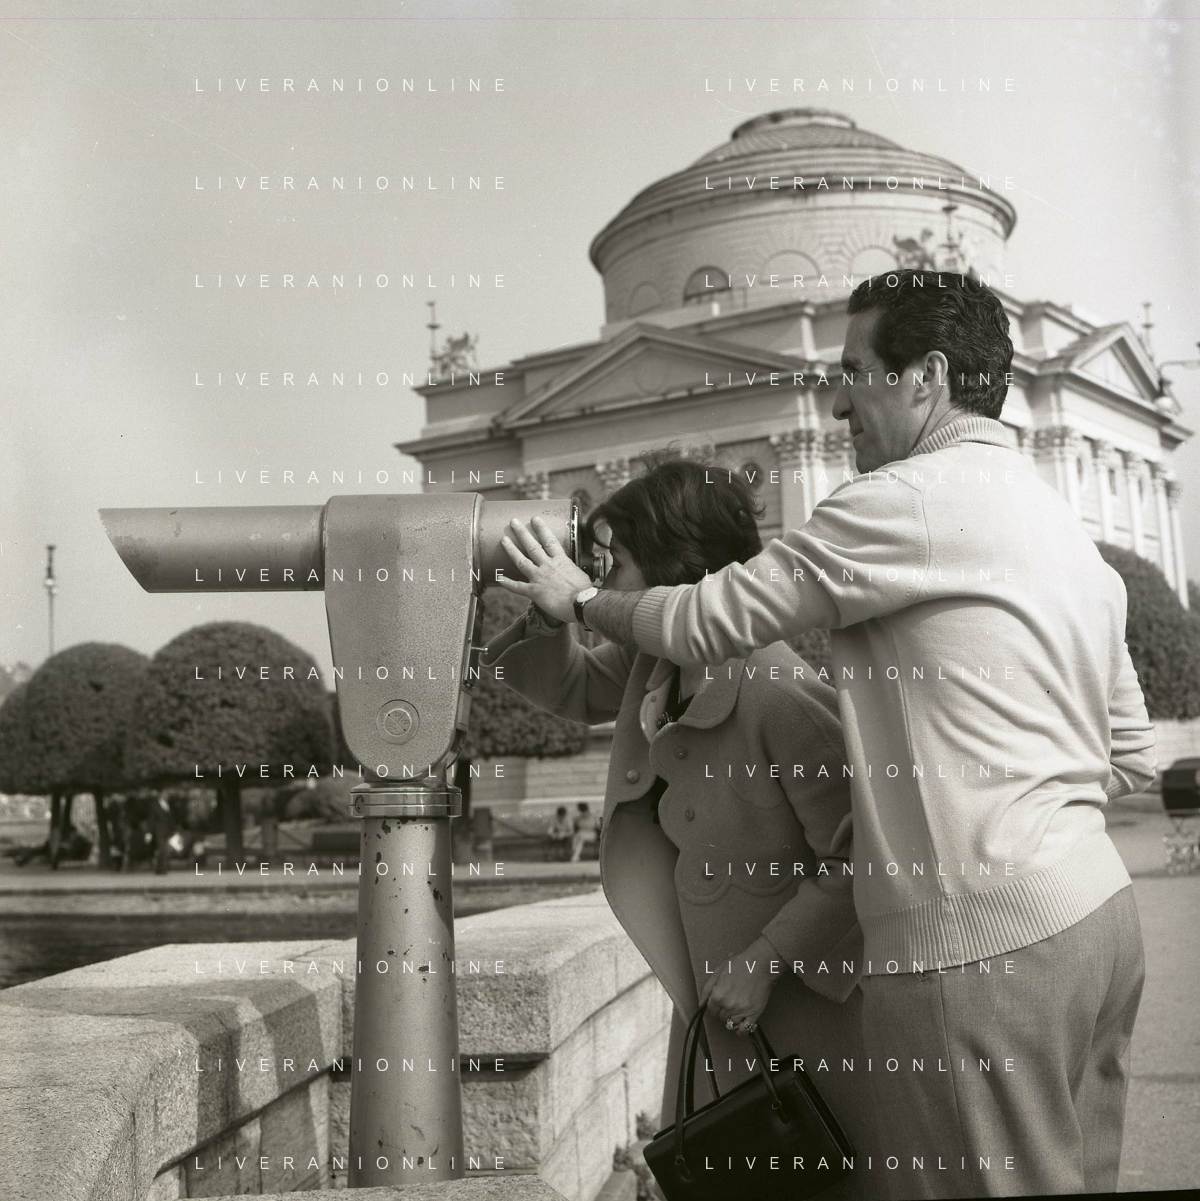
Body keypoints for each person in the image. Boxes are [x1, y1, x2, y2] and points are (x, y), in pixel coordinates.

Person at [499, 270, 1156, 1200]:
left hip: (981, 944)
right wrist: (1025, 806)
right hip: (1099, 917)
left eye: (853, 372)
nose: (839, 401)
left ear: (926, 377)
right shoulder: (1058, 520)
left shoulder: (898, 501)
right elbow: (1129, 750)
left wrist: (582, 600)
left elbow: (705, 618)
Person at [485, 453, 878, 1196]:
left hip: (795, 1009)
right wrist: (547, 610)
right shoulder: (658, 664)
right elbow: (568, 685)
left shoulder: (779, 689)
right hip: (712, 1002)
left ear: (673, 564)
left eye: (618, 561)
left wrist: (764, 961)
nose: (603, 581)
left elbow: (863, 855)